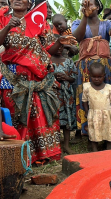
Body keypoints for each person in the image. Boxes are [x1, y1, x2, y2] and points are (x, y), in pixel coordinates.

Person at [0, 0, 77, 163]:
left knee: (40, 114)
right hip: (13, 77)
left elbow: (50, 48)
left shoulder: (38, 21)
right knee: (16, 116)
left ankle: (41, 155)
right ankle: (19, 155)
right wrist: (7, 27)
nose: (17, 0)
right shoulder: (3, 19)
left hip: (38, 78)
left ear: (29, 4)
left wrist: (60, 42)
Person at [72, 0, 111, 136]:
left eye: (89, 4)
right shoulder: (77, 22)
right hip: (85, 67)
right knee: (88, 99)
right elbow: (77, 37)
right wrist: (85, 15)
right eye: (84, 4)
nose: (86, 6)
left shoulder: (105, 24)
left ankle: (109, 132)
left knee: (106, 98)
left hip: (104, 66)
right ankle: (89, 133)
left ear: (98, 6)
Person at [82, 62, 111, 152]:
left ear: (104, 75)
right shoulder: (87, 87)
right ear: (90, 75)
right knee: (94, 131)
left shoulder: (109, 88)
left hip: (107, 114)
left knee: (108, 130)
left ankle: (108, 149)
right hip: (93, 114)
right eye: (94, 77)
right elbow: (84, 100)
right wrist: (87, 112)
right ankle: (95, 150)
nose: (97, 79)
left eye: (99, 77)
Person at [51, 43, 78, 155]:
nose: (59, 49)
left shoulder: (68, 61)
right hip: (52, 95)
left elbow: (74, 78)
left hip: (66, 96)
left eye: (61, 47)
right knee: (54, 120)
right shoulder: (48, 60)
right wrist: (53, 77)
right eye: (57, 46)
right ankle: (55, 147)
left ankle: (66, 145)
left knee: (66, 120)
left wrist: (66, 78)